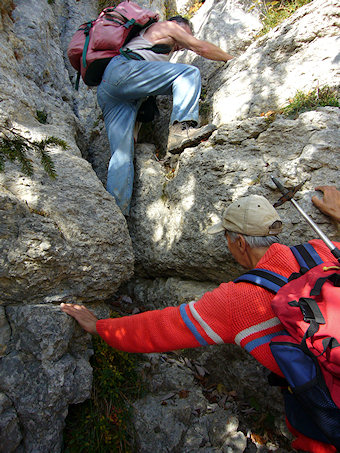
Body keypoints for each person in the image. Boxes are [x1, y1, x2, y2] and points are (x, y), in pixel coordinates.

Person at [61, 191, 340, 452]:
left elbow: (162, 327)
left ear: (239, 242)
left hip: (326, 425)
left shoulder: (235, 301)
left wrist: (100, 327)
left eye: (227, 239)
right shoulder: (321, 251)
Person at [96, 16, 234, 215]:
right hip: (124, 71)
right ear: (178, 26)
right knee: (188, 73)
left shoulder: (148, 47)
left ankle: (115, 213)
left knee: (122, 154)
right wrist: (233, 59)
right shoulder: (168, 27)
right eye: (185, 35)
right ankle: (181, 130)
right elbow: (201, 48)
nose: (181, 46)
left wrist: (133, 133)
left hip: (111, 90)